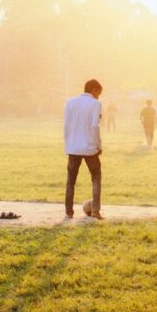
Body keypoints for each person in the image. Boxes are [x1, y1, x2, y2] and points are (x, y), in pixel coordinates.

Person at [64, 79, 105, 219]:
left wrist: (68, 145)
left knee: (71, 181)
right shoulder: (95, 104)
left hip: (73, 148)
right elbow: (95, 126)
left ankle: (69, 212)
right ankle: (95, 211)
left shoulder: (70, 102)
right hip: (89, 148)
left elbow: (66, 126)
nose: (98, 97)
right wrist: (98, 146)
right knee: (96, 178)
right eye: (98, 93)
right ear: (93, 90)